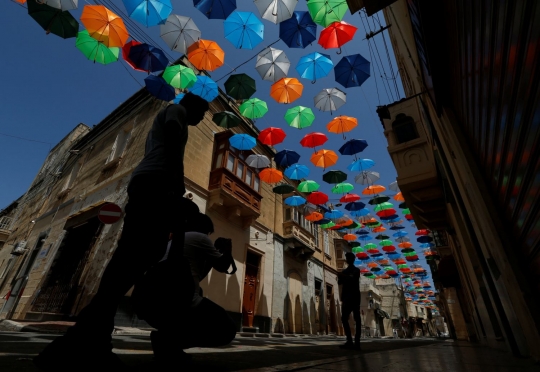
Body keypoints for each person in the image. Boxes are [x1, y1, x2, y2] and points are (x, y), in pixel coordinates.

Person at [34, 92, 210, 372]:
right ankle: (88, 337)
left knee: (138, 255)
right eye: (202, 112)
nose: (202, 119)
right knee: (134, 255)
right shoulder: (177, 111)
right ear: (193, 106)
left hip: (151, 183)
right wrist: (177, 183)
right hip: (156, 184)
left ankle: (89, 335)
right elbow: (175, 143)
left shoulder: (172, 117)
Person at [133, 212, 237, 366]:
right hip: (181, 302)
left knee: (198, 294)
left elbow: (195, 276)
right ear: (204, 229)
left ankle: (167, 343)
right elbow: (223, 266)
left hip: (155, 304)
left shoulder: (174, 241)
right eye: (208, 232)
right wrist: (227, 248)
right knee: (227, 329)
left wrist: (208, 257)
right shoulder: (199, 237)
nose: (208, 235)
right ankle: (168, 342)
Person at [338, 252, 361, 350]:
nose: (348, 260)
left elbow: (353, 278)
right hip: (347, 297)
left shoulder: (356, 270)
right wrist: (340, 277)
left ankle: (357, 341)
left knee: (357, 319)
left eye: (349, 258)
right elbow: (340, 282)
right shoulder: (345, 271)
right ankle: (349, 340)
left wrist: (343, 276)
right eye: (347, 258)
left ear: (353, 259)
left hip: (354, 297)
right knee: (344, 318)